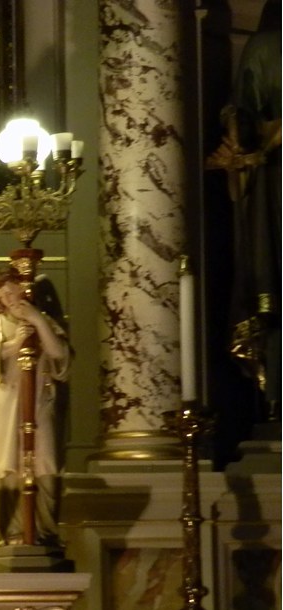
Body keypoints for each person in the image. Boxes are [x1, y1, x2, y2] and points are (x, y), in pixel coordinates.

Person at [0, 266, 72, 552]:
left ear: (23, 288)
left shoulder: (42, 320)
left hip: (38, 403)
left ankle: (43, 530)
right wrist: (13, 344)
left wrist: (36, 321)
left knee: (44, 464)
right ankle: (10, 532)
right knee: (6, 467)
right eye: (1, 294)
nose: (8, 298)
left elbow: (60, 356)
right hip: (2, 406)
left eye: (11, 291)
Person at [206, 1, 281, 421]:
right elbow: (243, 127)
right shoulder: (268, 47)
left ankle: (275, 399)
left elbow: (242, 119)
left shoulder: (263, 46)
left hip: (274, 186)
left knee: (272, 286)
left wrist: (245, 141)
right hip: (274, 182)